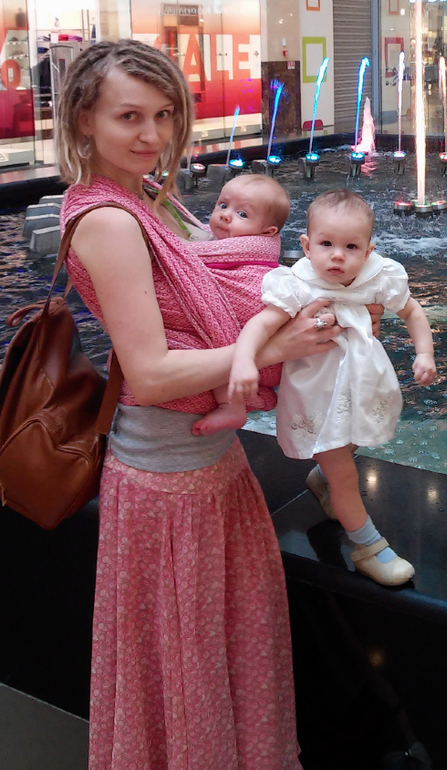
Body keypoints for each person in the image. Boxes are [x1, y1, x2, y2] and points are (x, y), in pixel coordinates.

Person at [55, 39, 344, 770]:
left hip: (205, 472)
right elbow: (151, 374)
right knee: (191, 678)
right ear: (85, 119)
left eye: (164, 115)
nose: (151, 134)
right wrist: (275, 348)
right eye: (129, 116)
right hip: (168, 488)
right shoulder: (110, 219)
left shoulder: (146, 198)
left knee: (216, 668)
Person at [227, 188, 436, 587]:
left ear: (368, 251)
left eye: (350, 246)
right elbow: (260, 324)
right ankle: (368, 547)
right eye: (326, 244)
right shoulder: (297, 285)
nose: (337, 256)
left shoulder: (376, 277)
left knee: (352, 443)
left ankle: (321, 479)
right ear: (306, 246)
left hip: (361, 387)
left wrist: (424, 353)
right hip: (318, 396)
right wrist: (243, 360)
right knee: (345, 475)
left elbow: (412, 311)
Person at [189, 173, 291, 435]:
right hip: (255, 352)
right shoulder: (215, 244)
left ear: (267, 233)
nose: (225, 215)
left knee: (212, 335)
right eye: (223, 205)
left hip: (259, 352)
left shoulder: (248, 258)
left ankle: (231, 406)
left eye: (242, 214)